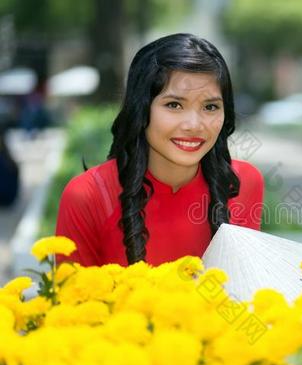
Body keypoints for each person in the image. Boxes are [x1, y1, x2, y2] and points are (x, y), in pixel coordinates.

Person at [55, 33, 265, 266]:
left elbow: (243, 293)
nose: (194, 125)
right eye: (174, 105)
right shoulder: (87, 195)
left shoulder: (242, 184)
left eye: (210, 106)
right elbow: (73, 300)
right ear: (141, 108)